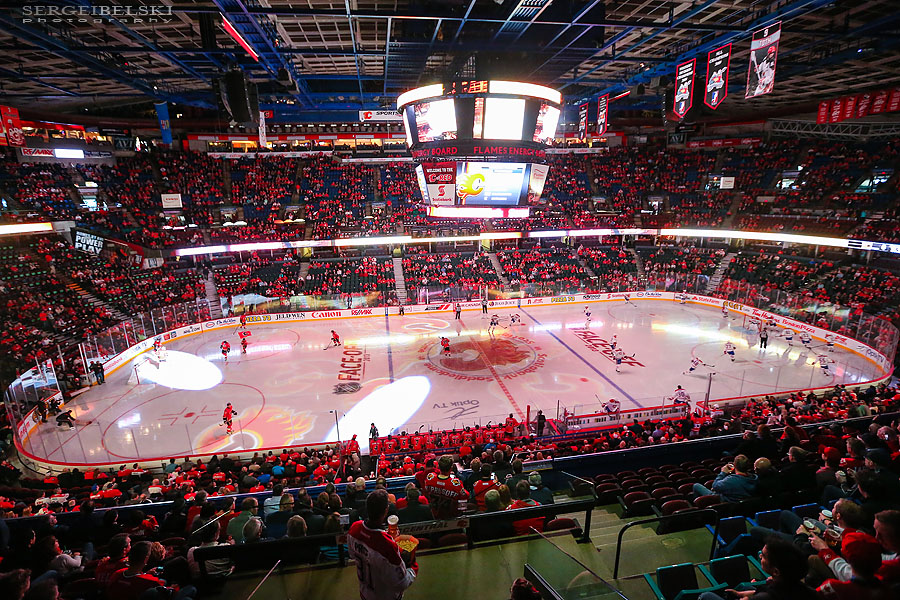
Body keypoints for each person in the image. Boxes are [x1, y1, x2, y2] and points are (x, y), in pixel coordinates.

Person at [347, 489, 417, 600]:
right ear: (386, 511)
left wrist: (387, 537)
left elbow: (353, 553)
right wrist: (412, 567)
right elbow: (401, 583)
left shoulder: (355, 528)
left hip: (366, 594)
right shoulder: (387, 546)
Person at [699, 538, 817, 600]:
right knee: (746, 586)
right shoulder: (808, 590)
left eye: (764, 556)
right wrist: (742, 594)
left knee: (706, 596)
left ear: (776, 571)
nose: (760, 556)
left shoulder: (765, 597)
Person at [693, 454, 757, 503]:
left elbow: (715, 485)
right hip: (741, 503)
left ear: (734, 465)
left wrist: (723, 472)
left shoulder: (731, 480)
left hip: (725, 501)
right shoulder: (755, 478)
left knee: (696, 486)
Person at [423, 455, 467, 519]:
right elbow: (465, 496)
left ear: (438, 466)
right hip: (450, 517)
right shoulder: (455, 484)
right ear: (451, 468)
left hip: (433, 514)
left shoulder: (430, 478)